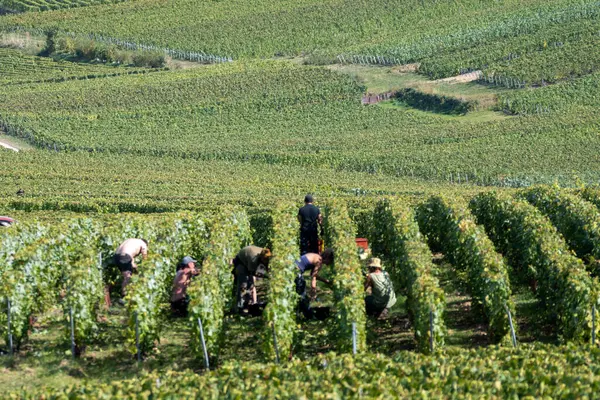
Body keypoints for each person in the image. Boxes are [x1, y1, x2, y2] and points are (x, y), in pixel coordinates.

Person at [232, 245, 272, 314]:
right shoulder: (253, 259)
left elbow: (265, 266)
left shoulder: (266, 254)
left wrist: (268, 274)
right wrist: (264, 276)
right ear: (262, 258)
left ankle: (247, 305)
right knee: (244, 284)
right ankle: (240, 307)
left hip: (247, 257)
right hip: (241, 262)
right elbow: (252, 272)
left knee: (250, 285)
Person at [295, 249, 334, 318]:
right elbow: (313, 278)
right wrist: (313, 291)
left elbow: (313, 274)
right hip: (296, 271)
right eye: (331, 260)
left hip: (295, 268)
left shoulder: (316, 256)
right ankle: (308, 315)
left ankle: (302, 313)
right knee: (302, 293)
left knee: (301, 291)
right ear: (328, 258)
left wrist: (326, 281)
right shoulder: (319, 262)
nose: (330, 263)